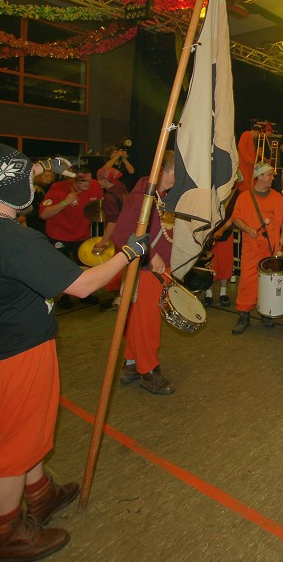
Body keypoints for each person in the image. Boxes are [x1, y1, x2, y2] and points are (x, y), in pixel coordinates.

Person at [0, 132, 149, 561]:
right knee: (10, 449)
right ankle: (5, 536)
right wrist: (131, 251)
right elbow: (84, 284)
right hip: (14, 354)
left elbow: (20, 175)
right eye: (26, 179)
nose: (34, 185)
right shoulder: (15, 241)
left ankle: (39, 494)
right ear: (8, 186)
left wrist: (50, 166)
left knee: (29, 428)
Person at [112, 151, 180, 395]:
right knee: (147, 323)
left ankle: (132, 362)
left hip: (158, 272)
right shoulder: (140, 199)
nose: (178, 177)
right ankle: (148, 370)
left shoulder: (162, 197)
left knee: (138, 321)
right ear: (165, 171)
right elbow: (120, 237)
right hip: (144, 271)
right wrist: (150, 255)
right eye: (176, 172)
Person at [230, 163, 283, 334]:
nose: (272, 178)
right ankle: (244, 314)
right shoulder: (244, 198)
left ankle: (267, 312)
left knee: (270, 283)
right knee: (248, 280)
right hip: (252, 248)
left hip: (272, 249)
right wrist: (248, 229)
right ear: (260, 176)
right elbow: (236, 218)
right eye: (270, 175)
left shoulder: (278, 197)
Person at [39, 166, 103, 308]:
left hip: (82, 234)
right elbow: (44, 214)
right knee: (62, 267)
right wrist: (65, 203)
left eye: (89, 180)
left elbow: (99, 205)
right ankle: (64, 295)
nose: (88, 184)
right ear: (73, 180)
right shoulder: (58, 188)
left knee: (84, 266)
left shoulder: (95, 186)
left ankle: (84, 293)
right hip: (58, 235)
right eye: (83, 181)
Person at [92, 166, 129, 310]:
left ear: (104, 180)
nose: (97, 181)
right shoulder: (122, 189)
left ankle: (119, 301)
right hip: (129, 233)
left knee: (116, 270)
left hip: (119, 236)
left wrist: (102, 242)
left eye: (98, 179)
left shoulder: (110, 197)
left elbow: (112, 222)